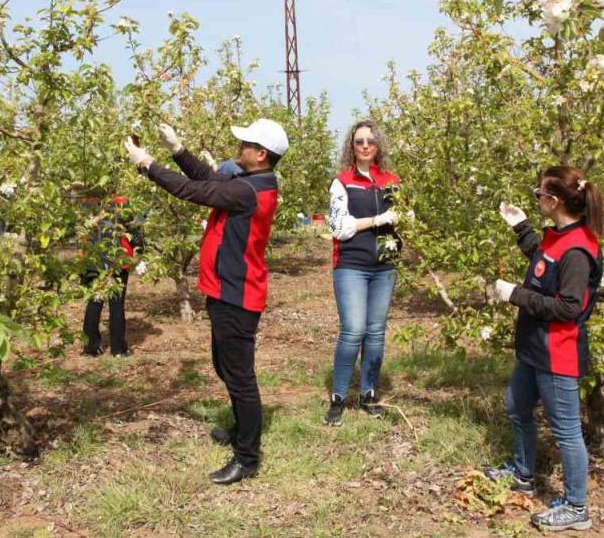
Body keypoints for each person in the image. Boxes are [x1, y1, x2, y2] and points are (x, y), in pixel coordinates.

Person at [123, 118, 286, 485]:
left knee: (240, 377)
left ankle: (247, 458)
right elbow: (208, 179)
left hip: (236, 296)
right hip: (225, 291)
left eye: (246, 143)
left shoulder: (248, 191)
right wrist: (178, 150)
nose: (239, 147)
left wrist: (147, 164)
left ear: (261, 154)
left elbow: (192, 190)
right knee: (224, 366)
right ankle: (242, 429)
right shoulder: (248, 182)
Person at [486, 165, 604, 532]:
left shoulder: (578, 250)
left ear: (553, 200)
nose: (536, 199)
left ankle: (576, 506)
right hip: (534, 347)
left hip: (557, 352)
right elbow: (543, 264)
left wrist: (515, 294)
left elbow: (568, 308)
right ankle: (523, 474)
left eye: (539, 195)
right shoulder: (559, 236)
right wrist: (521, 228)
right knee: (517, 408)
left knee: (566, 430)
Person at [324, 120, 401, 426]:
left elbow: (402, 218)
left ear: (378, 145)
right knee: (354, 330)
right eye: (359, 141)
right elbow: (340, 228)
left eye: (371, 140)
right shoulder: (342, 181)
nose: (365, 146)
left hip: (385, 266)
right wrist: (378, 219)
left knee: (376, 332)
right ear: (351, 146)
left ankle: (369, 393)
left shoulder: (391, 181)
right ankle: (338, 397)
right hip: (351, 265)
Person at [81, 192, 143, 357]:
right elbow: (134, 229)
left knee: (94, 302)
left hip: (93, 257)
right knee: (116, 304)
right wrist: (140, 250)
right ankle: (118, 349)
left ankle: (90, 348)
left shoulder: (87, 199)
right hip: (118, 258)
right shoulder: (122, 200)